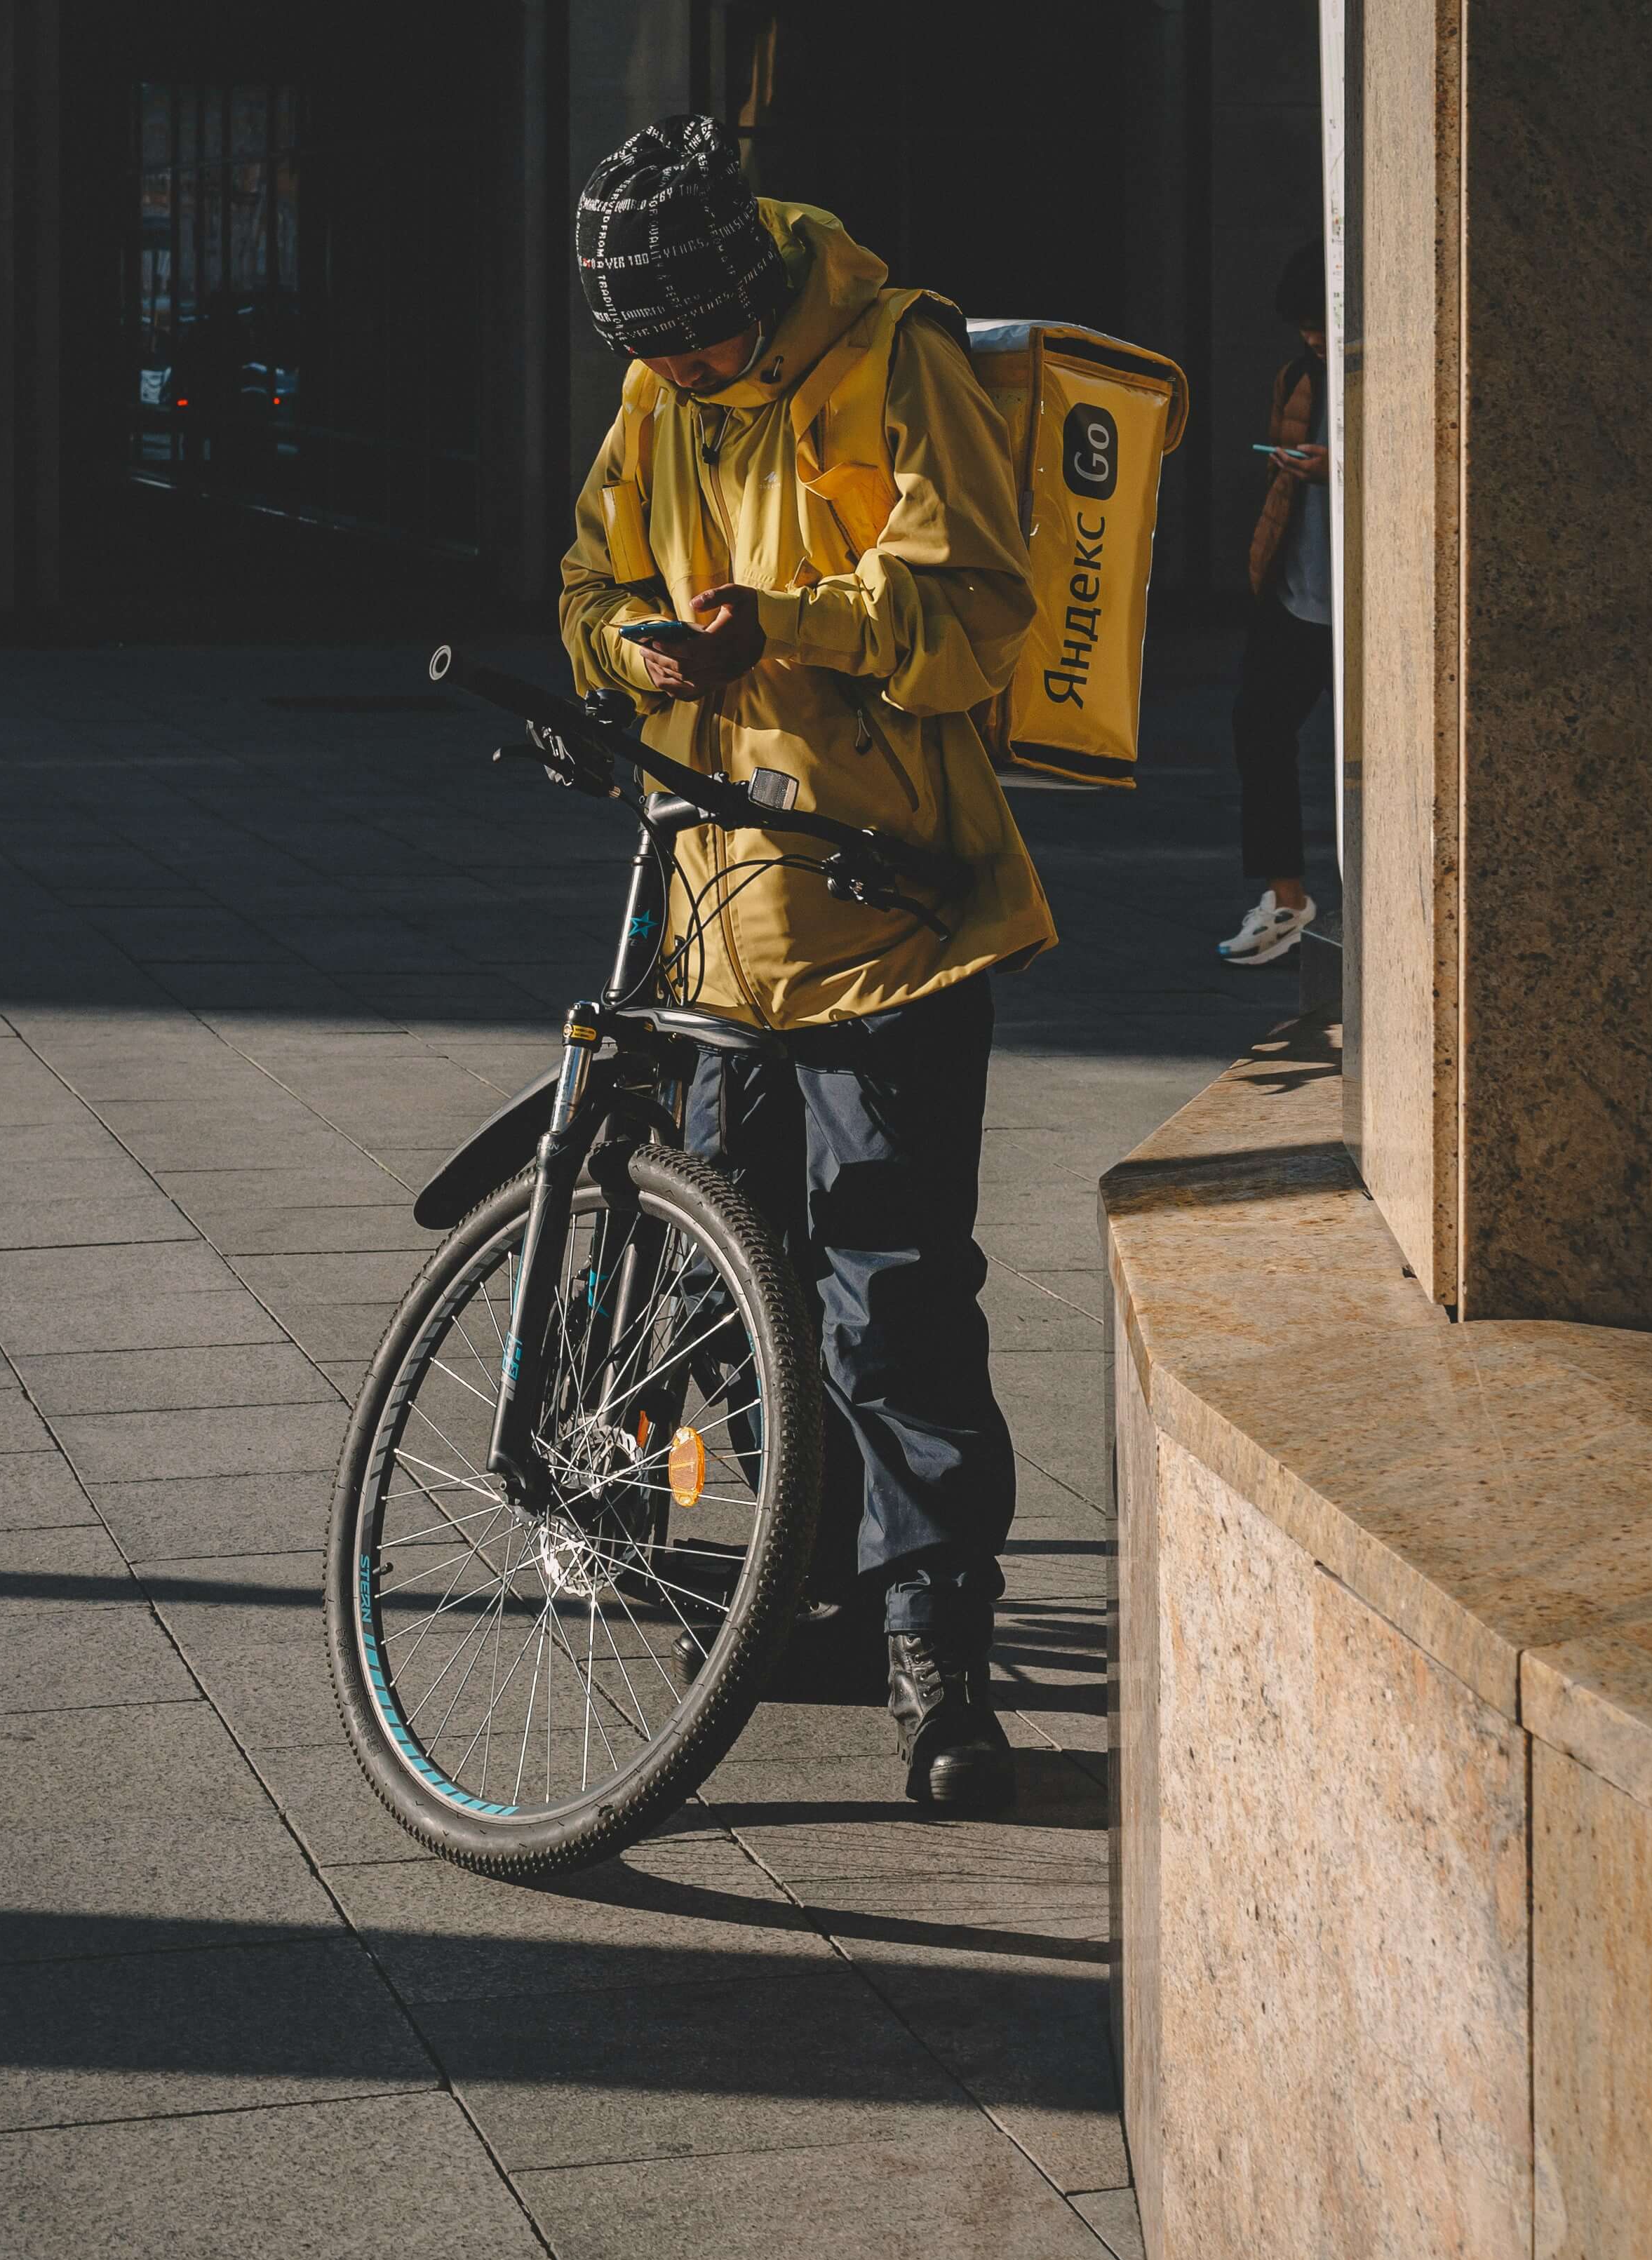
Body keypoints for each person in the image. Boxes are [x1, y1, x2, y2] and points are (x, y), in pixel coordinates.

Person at [560, 116, 1055, 1812]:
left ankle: (940, 1650)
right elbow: (586, 580)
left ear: (750, 289)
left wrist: (781, 623)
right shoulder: (656, 399)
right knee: (737, 1287)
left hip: (888, 915)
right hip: (722, 919)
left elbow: (974, 609)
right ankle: (813, 1594)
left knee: (897, 1300)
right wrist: (638, 643)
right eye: (653, 355)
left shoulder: (893, 358)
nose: (682, 374)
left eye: (698, 342)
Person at [1218, 239, 1333, 966]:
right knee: (1257, 727)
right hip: (1295, 592)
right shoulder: (1299, 376)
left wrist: (1344, 468)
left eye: (1320, 322)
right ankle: (1286, 898)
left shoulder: (1392, 377)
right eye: (1303, 327)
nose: (1313, 339)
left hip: (1367, 603)